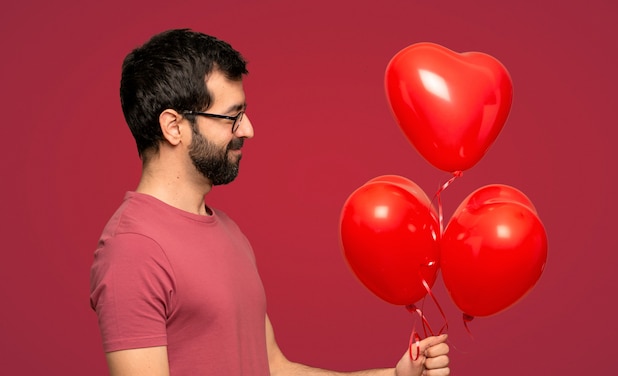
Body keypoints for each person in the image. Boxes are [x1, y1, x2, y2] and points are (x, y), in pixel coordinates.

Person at [89, 29, 450, 376]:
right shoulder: (135, 249)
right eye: (232, 117)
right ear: (173, 127)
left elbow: (275, 369)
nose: (247, 130)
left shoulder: (228, 232)